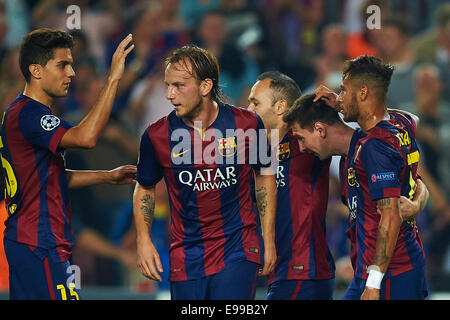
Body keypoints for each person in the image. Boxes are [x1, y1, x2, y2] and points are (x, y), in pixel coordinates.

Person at [133, 45, 277, 300]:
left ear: (205, 86)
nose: (169, 94)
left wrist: (268, 237)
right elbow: (144, 187)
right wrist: (143, 241)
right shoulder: (156, 135)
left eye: (178, 85)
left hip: (238, 247)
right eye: (168, 85)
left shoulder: (247, 124)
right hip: (186, 255)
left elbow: (265, 175)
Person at [0, 28, 135, 300]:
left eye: (71, 64)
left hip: (33, 241)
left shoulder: (24, 114)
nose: (71, 73)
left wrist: (106, 176)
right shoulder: (28, 114)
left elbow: (51, 177)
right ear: (36, 70)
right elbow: (86, 138)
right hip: (38, 242)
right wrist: (113, 79)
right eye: (63, 64)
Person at [285, 55, 428, 300]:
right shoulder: (400, 122)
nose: (338, 97)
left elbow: (390, 216)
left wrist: (373, 284)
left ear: (363, 93)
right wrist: (416, 204)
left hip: (389, 273)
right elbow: (417, 179)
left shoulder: (374, 148)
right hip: (371, 270)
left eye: (344, 91)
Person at [247, 71, 335, 300]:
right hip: (280, 272)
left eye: (255, 103)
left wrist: (340, 105)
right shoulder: (256, 153)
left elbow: (357, 131)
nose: (248, 110)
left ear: (280, 107)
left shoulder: (306, 142)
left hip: (304, 270)